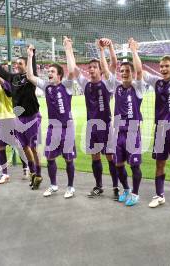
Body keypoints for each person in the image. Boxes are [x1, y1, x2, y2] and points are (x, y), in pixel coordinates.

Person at [131, 22, 170, 210]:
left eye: (166, 66)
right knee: (159, 164)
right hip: (160, 129)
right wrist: (134, 51)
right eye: (161, 66)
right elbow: (139, 71)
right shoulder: (156, 82)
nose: (163, 69)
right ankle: (159, 195)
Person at [63, 36, 119, 199]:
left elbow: (114, 64)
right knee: (95, 157)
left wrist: (108, 48)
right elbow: (73, 68)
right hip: (92, 126)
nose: (92, 69)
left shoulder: (108, 83)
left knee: (110, 157)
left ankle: (116, 187)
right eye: (90, 67)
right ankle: (99, 186)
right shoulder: (85, 84)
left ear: (101, 70)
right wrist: (68, 48)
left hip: (106, 125)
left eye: (95, 67)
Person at [26, 45, 77, 199]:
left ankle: (70, 187)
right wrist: (29, 56)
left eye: (52, 71)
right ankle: (53, 185)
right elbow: (30, 76)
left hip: (67, 128)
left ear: (59, 75)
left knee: (69, 159)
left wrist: (68, 49)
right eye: (48, 72)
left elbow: (72, 70)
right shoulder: (46, 86)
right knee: (50, 158)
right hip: (52, 128)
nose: (49, 73)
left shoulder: (67, 86)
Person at [0, 48, 43, 189]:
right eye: (16, 63)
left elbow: (33, 69)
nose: (17, 65)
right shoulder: (13, 78)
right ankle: (33, 173)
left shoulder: (31, 78)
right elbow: (1, 72)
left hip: (32, 117)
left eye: (20, 63)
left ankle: (38, 174)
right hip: (19, 118)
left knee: (33, 148)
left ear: (26, 65)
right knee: (25, 147)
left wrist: (31, 55)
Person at [107, 40, 146, 207]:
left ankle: (136, 194)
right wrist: (106, 49)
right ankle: (126, 190)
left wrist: (134, 51)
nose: (124, 73)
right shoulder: (116, 87)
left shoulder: (138, 87)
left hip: (132, 133)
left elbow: (139, 71)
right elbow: (107, 71)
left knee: (134, 165)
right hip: (118, 134)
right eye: (121, 71)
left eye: (127, 71)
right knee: (118, 164)